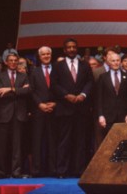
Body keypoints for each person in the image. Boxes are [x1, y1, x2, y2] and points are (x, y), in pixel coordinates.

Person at [51, 38, 94, 178]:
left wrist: (83, 94)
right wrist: (66, 95)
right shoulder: (58, 66)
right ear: (64, 50)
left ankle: (79, 170)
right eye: (68, 47)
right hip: (64, 108)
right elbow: (54, 84)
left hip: (81, 108)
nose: (71, 49)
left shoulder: (85, 65)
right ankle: (62, 170)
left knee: (80, 141)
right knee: (64, 141)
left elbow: (90, 82)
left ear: (77, 49)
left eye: (74, 47)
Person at [0, 53, 31, 178]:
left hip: (19, 114)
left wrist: (10, 89)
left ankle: (16, 171)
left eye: (16, 60)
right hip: (4, 114)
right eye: (11, 60)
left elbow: (28, 91)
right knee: (1, 145)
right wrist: (19, 90)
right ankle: (0, 172)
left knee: (17, 146)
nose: (13, 63)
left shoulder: (24, 75)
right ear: (6, 62)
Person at [29, 46, 57, 177]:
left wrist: (56, 103)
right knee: (37, 141)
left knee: (53, 141)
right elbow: (32, 90)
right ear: (39, 57)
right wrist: (40, 104)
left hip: (55, 110)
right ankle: (36, 170)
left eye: (48, 54)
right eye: (43, 54)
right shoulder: (34, 71)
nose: (46, 56)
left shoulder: (58, 70)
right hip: (39, 110)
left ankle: (53, 169)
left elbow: (62, 88)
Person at [96, 53, 127, 136]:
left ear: (120, 62)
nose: (116, 63)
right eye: (113, 61)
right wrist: (100, 115)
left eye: (117, 60)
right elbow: (99, 98)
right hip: (107, 117)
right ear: (108, 62)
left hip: (124, 117)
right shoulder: (103, 77)